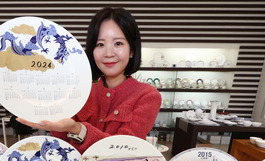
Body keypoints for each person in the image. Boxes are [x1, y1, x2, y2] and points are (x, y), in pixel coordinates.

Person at [17, 7, 161, 153]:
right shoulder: (81, 91)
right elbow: (63, 142)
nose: (109, 53)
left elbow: (123, 150)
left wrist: (78, 129)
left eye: (118, 43)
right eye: (100, 44)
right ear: (92, 51)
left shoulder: (147, 96)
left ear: (132, 51)